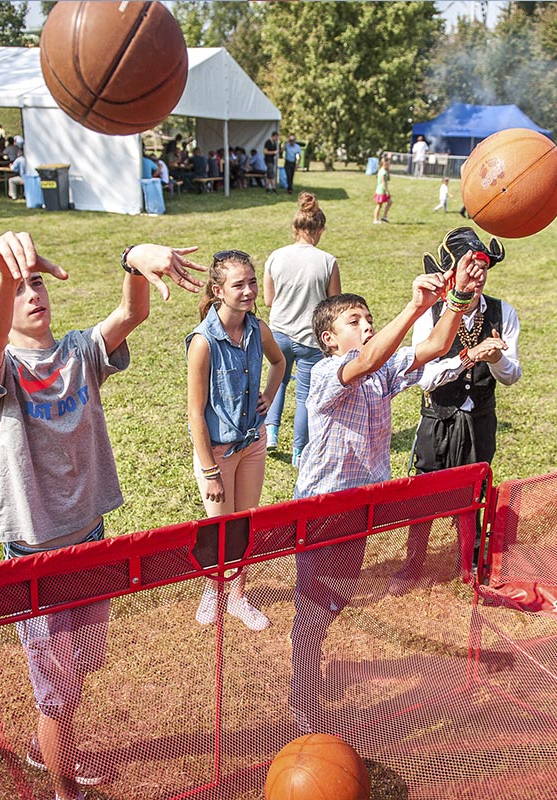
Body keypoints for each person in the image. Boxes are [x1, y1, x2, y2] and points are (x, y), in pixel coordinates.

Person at [0, 231, 205, 800]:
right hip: (37, 556)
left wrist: (132, 261)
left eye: (35, 283)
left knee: (79, 667)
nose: (32, 294)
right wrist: (3, 268)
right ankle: (62, 788)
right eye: (15, 289)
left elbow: (131, 314)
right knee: (56, 692)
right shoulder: (0, 372)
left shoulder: (78, 351)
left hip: (92, 538)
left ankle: (47, 745)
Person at [287, 250, 487, 734]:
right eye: (355, 321)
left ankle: (311, 669)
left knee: (334, 600)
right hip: (322, 511)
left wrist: (458, 296)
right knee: (311, 610)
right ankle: (302, 697)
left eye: (369, 319)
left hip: (362, 508)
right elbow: (369, 358)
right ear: (329, 339)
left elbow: (435, 345)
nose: (367, 326)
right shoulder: (324, 373)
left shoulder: (379, 371)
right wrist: (415, 306)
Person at [389, 229, 520, 597]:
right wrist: (468, 357)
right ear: (450, 272)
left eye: (483, 267)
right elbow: (424, 378)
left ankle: (471, 563)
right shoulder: (430, 313)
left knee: (475, 490)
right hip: (439, 418)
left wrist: (496, 358)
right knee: (425, 492)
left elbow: (512, 375)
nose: (478, 275)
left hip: (480, 419)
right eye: (469, 266)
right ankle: (414, 563)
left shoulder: (502, 312)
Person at [188, 250, 284, 632]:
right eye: (238, 285)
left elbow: (279, 362)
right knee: (219, 530)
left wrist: (269, 396)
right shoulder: (203, 342)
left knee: (244, 526)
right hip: (217, 453)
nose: (248, 291)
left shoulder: (258, 329)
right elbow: (195, 413)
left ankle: (238, 596)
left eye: (252, 282)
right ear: (218, 290)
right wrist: (210, 471)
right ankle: (213, 591)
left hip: (252, 444)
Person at [262, 192, 342, 465]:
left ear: (295, 228)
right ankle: (299, 451)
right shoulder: (327, 261)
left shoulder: (275, 257)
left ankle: (271, 433)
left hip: (279, 334)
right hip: (310, 339)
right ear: (320, 230)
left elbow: (268, 300)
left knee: (277, 382)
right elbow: (333, 305)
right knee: (305, 396)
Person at [373, 156, 392, 224]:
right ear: (384, 164)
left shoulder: (384, 170)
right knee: (379, 205)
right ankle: (375, 219)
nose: (388, 165)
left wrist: (388, 171)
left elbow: (388, 179)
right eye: (387, 164)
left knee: (390, 202)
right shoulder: (383, 172)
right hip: (381, 190)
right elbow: (384, 183)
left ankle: (384, 216)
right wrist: (387, 191)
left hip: (382, 190)